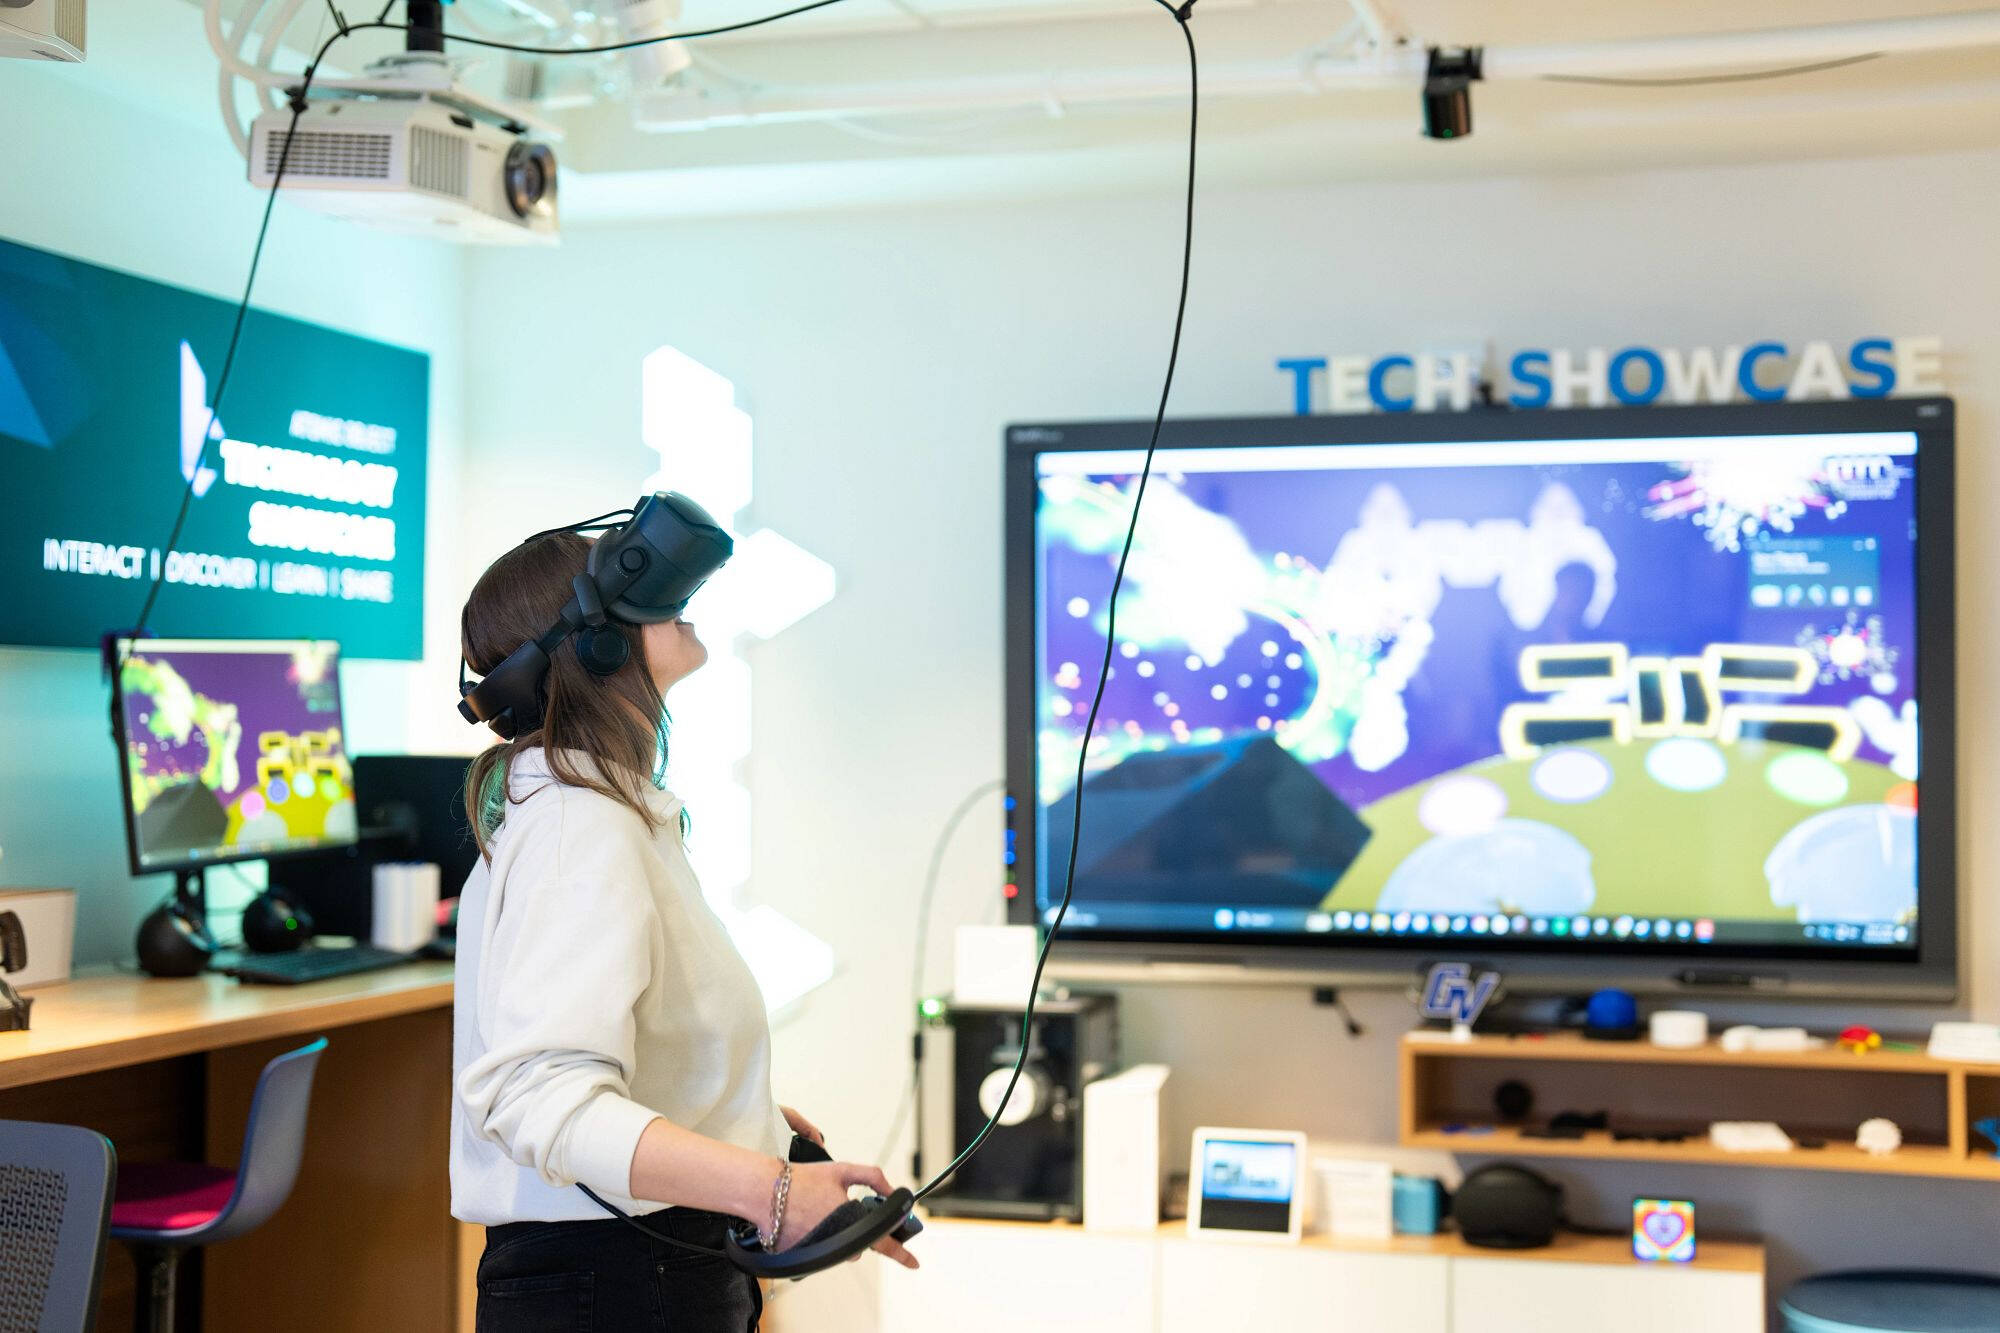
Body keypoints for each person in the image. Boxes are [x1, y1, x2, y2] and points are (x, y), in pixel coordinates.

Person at [450, 530, 916, 1333]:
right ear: (594, 644)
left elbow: (620, 1052)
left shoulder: (598, 811)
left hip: (642, 1267)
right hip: (614, 1283)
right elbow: (545, 1099)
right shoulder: (577, 826)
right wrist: (768, 1190)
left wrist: (742, 1121)